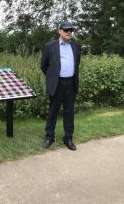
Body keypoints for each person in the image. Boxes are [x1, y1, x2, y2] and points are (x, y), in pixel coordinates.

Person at [41, 21, 81, 151]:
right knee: (53, 111)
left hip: (71, 83)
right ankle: (49, 137)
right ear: (59, 31)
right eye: (66, 29)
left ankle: (68, 138)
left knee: (69, 112)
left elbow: (77, 64)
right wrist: (52, 77)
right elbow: (44, 65)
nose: (69, 32)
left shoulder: (76, 45)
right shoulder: (50, 46)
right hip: (57, 84)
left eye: (71, 30)